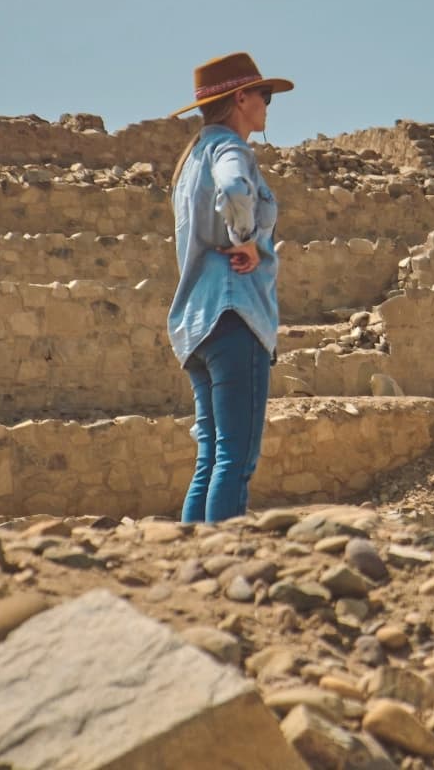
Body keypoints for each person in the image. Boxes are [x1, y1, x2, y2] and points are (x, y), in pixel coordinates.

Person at [167, 52, 293, 522]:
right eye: (264, 95)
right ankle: (225, 556)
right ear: (241, 98)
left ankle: (189, 556)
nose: (267, 105)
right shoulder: (229, 150)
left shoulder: (191, 159)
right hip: (235, 316)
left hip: (196, 325)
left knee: (211, 457)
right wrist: (247, 240)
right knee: (236, 458)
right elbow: (236, 189)